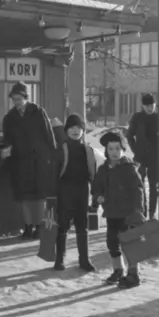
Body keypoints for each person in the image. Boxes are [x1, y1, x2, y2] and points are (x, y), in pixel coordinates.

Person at [91, 129, 147, 289]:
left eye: (117, 149)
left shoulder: (129, 168)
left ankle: (134, 273)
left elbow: (138, 190)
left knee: (129, 244)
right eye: (111, 149)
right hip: (111, 213)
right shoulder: (103, 169)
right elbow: (96, 188)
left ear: (123, 149)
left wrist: (138, 210)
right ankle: (118, 270)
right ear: (106, 150)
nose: (114, 152)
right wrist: (98, 197)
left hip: (128, 213)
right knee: (112, 243)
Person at [1, 83, 58, 240]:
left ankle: (39, 227)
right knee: (24, 196)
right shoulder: (10, 117)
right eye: (14, 99)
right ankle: (27, 226)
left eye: (19, 99)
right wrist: (7, 151)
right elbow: (8, 139)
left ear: (26, 98)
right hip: (20, 161)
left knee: (39, 196)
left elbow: (49, 135)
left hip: (39, 160)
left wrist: (51, 157)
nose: (17, 102)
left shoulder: (38, 112)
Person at [54, 113, 98, 272]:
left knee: (82, 226)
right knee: (62, 226)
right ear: (66, 130)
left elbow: (93, 173)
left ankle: (84, 260)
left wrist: (96, 193)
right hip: (64, 190)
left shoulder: (88, 150)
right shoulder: (61, 149)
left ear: (83, 131)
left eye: (78, 128)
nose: (75, 130)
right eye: (71, 127)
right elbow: (54, 173)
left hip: (82, 191)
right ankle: (59, 259)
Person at [126, 93, 159, 221]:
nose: (150, 108)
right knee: (139, 185)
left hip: (155, 157)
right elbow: (130, 136)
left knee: (154, 186)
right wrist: (136, 151)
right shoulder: (137, 118)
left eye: (152, 105)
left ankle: (152, 213)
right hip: (141, 156)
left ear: (155, 105)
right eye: (147, 106)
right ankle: (142, 211)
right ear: (143, 106)